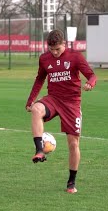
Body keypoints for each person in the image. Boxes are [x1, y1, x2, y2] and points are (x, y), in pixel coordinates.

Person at [26, 29, 97, 193]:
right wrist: (31, 100)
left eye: (57, 49)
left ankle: (71, 182)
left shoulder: (76, 57)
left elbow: (92, 75)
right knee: (36, 109)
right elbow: (39, 79)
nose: (55, 53)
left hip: (71, 103)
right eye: (51, 50)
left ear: (64, 44)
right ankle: (39, 150)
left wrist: (90, 84)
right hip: (53, 99)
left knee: (73, 143)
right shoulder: (44, 58)